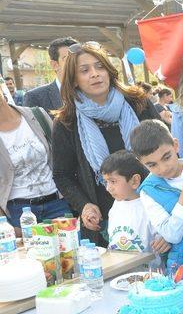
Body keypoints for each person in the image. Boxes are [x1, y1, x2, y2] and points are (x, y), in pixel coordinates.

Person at [51, 42, 160, 246]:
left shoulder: (138, 103)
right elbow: (62, 174)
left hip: (154, 209)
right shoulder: (67, 121)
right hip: (106, 220)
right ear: (74, 80)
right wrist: (84, 205)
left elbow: (165, 152)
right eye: (85, 70)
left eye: (100, 66)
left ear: (109, 71)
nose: (95, 74)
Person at [130, 120, 183, 272]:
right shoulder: (148, 191)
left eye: (166, 157)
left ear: (175, 145)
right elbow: (172, 235)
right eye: (152, 165)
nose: (163, 168)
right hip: (182, 266)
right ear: (141, 163)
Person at [0, 85, 70, 231]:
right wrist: (5, 224)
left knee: (69, 252)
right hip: (19, 212)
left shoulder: (36, 115)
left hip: (57, 203)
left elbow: (62, 156)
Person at [101, 150, 168, 260]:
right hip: (118, 271)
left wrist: (166, 240)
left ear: (134, 181)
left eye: (113, 181)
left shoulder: (150, 205)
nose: (108, 188)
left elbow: (165, 237)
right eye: (106, 182)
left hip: (147, 274)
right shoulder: (116, 205)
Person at [23, 37, 78, 115]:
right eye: (69, 59)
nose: (75, 63)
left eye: (78, 59)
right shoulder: (35, 97)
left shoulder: (91, 91)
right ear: (55, 65)